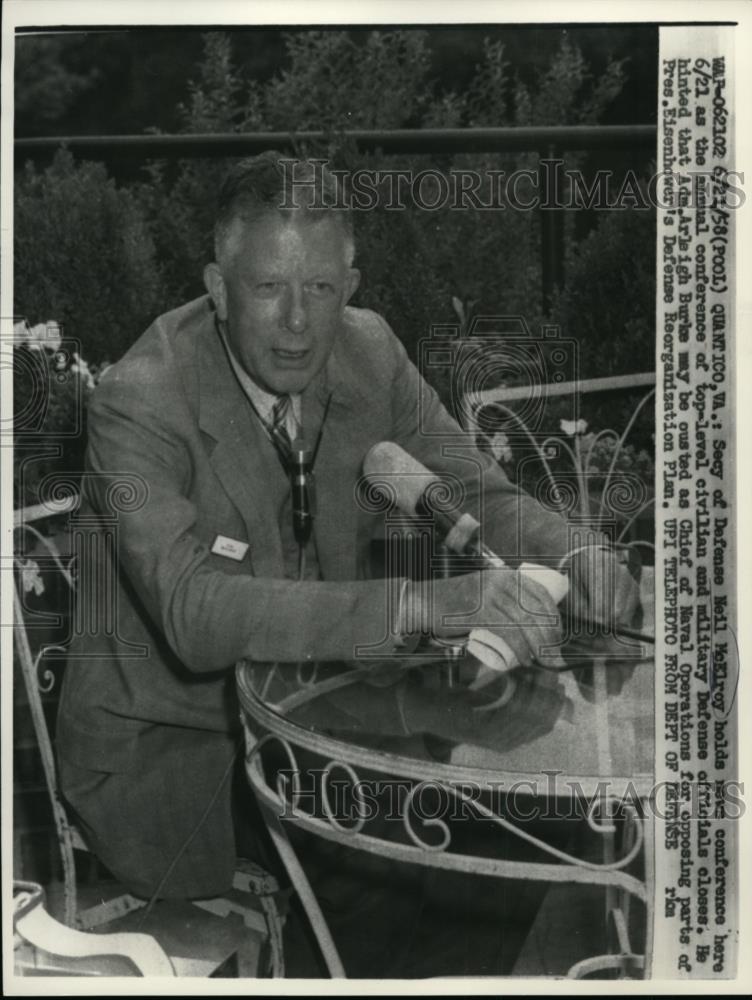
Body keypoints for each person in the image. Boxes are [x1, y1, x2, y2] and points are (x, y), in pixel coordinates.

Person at [56, 152, 636, 923]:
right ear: (216, 289)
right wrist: (431, 606)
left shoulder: (370, 350)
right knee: (435, 908)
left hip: (346, 719)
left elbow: (474, 490)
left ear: (350, 289)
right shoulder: (140, 399)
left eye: (321, 289)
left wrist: (575, 551)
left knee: (537, 869)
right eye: (268, 288)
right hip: (180, 766)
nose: (298, 321)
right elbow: (195, 615)